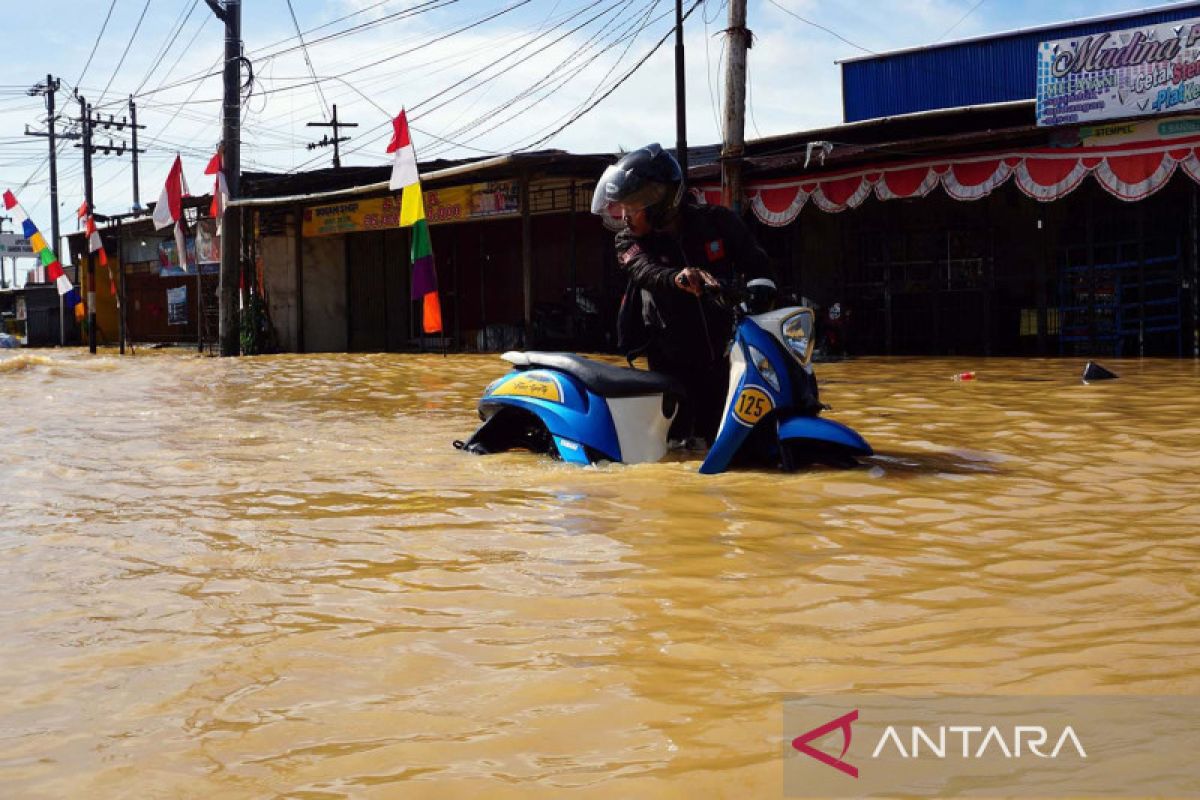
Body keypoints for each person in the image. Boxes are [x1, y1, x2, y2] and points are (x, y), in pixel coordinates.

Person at [591, 143, 772, 445]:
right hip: (669, 364)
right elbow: (644, 271)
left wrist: (759, 293)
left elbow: (760, 268)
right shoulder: (627, 241)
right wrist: (678, 277)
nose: (624, 216)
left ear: (660, 201)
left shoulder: (719, 222)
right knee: (678, 447)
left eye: (632, 206)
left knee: (732, 442)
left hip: (726, 355)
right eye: (621, 207)